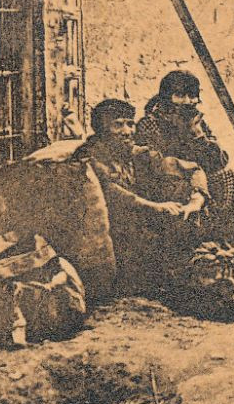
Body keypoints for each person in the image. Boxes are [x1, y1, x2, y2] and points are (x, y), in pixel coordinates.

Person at [78, 98, 208, 296]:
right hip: (111, 230)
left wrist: (196, 200)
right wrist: (155, 206)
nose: (127, 131)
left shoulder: (138, 153)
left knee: (180, 192)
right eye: (118, 125)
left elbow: (193, 169)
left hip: (140, 221)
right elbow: (111, 191)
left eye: (130, 124)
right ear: (102, 129)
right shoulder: (91, 156)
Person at [136, 70, 234, 242]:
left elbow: (219, 162)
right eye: (179, 95)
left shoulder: (197, 122)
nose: (186, 101)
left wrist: (197, 134)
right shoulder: (149, 123)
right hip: (167, 183)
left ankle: (229, 239)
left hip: (200, 180)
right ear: (166, 97)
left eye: (192, 95)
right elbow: (155, 164)